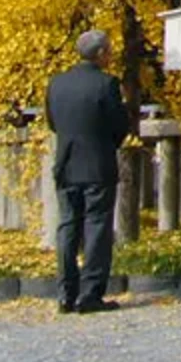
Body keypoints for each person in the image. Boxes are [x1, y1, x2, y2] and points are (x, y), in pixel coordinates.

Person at [44, 28, 131, 314]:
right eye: (109, 50)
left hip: (66, 164)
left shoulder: (57, 84)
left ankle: (65, 293)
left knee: (68, 227)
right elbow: (119, 124)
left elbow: (53, 123)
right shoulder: (106, 84)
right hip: (97, 165)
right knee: (96, 228)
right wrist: (108, 143)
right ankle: (90, 294)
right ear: (101, 53)